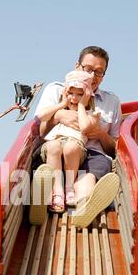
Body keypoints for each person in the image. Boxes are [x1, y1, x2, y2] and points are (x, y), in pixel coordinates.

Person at [29, 45, 121, 227]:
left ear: (104, 75)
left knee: (87, 176)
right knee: (51, 156)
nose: (92, 76)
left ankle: (83, 207)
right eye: (88, 69)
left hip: (91, 152)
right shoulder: (57, 90)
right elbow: (39, 130)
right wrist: (58, 116)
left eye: (99, 72)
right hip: (55, 147)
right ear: (77, 66)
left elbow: (115, 148)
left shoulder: (111, 101)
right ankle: (42, 198)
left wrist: (100, 133)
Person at [36, 70, 100, 213]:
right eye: (71, 93)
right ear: (65, 92)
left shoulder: (90, 114)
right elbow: (41, 116)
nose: (75, 98)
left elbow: (84, 127)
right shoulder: (58, 112)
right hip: (55, 144)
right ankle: (57, 191)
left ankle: (69, 188)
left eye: (80, 94)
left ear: (87, 96)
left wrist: (82, 106)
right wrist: (61, 104)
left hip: (76, 148)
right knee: (53, 146)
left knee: (70, 147)